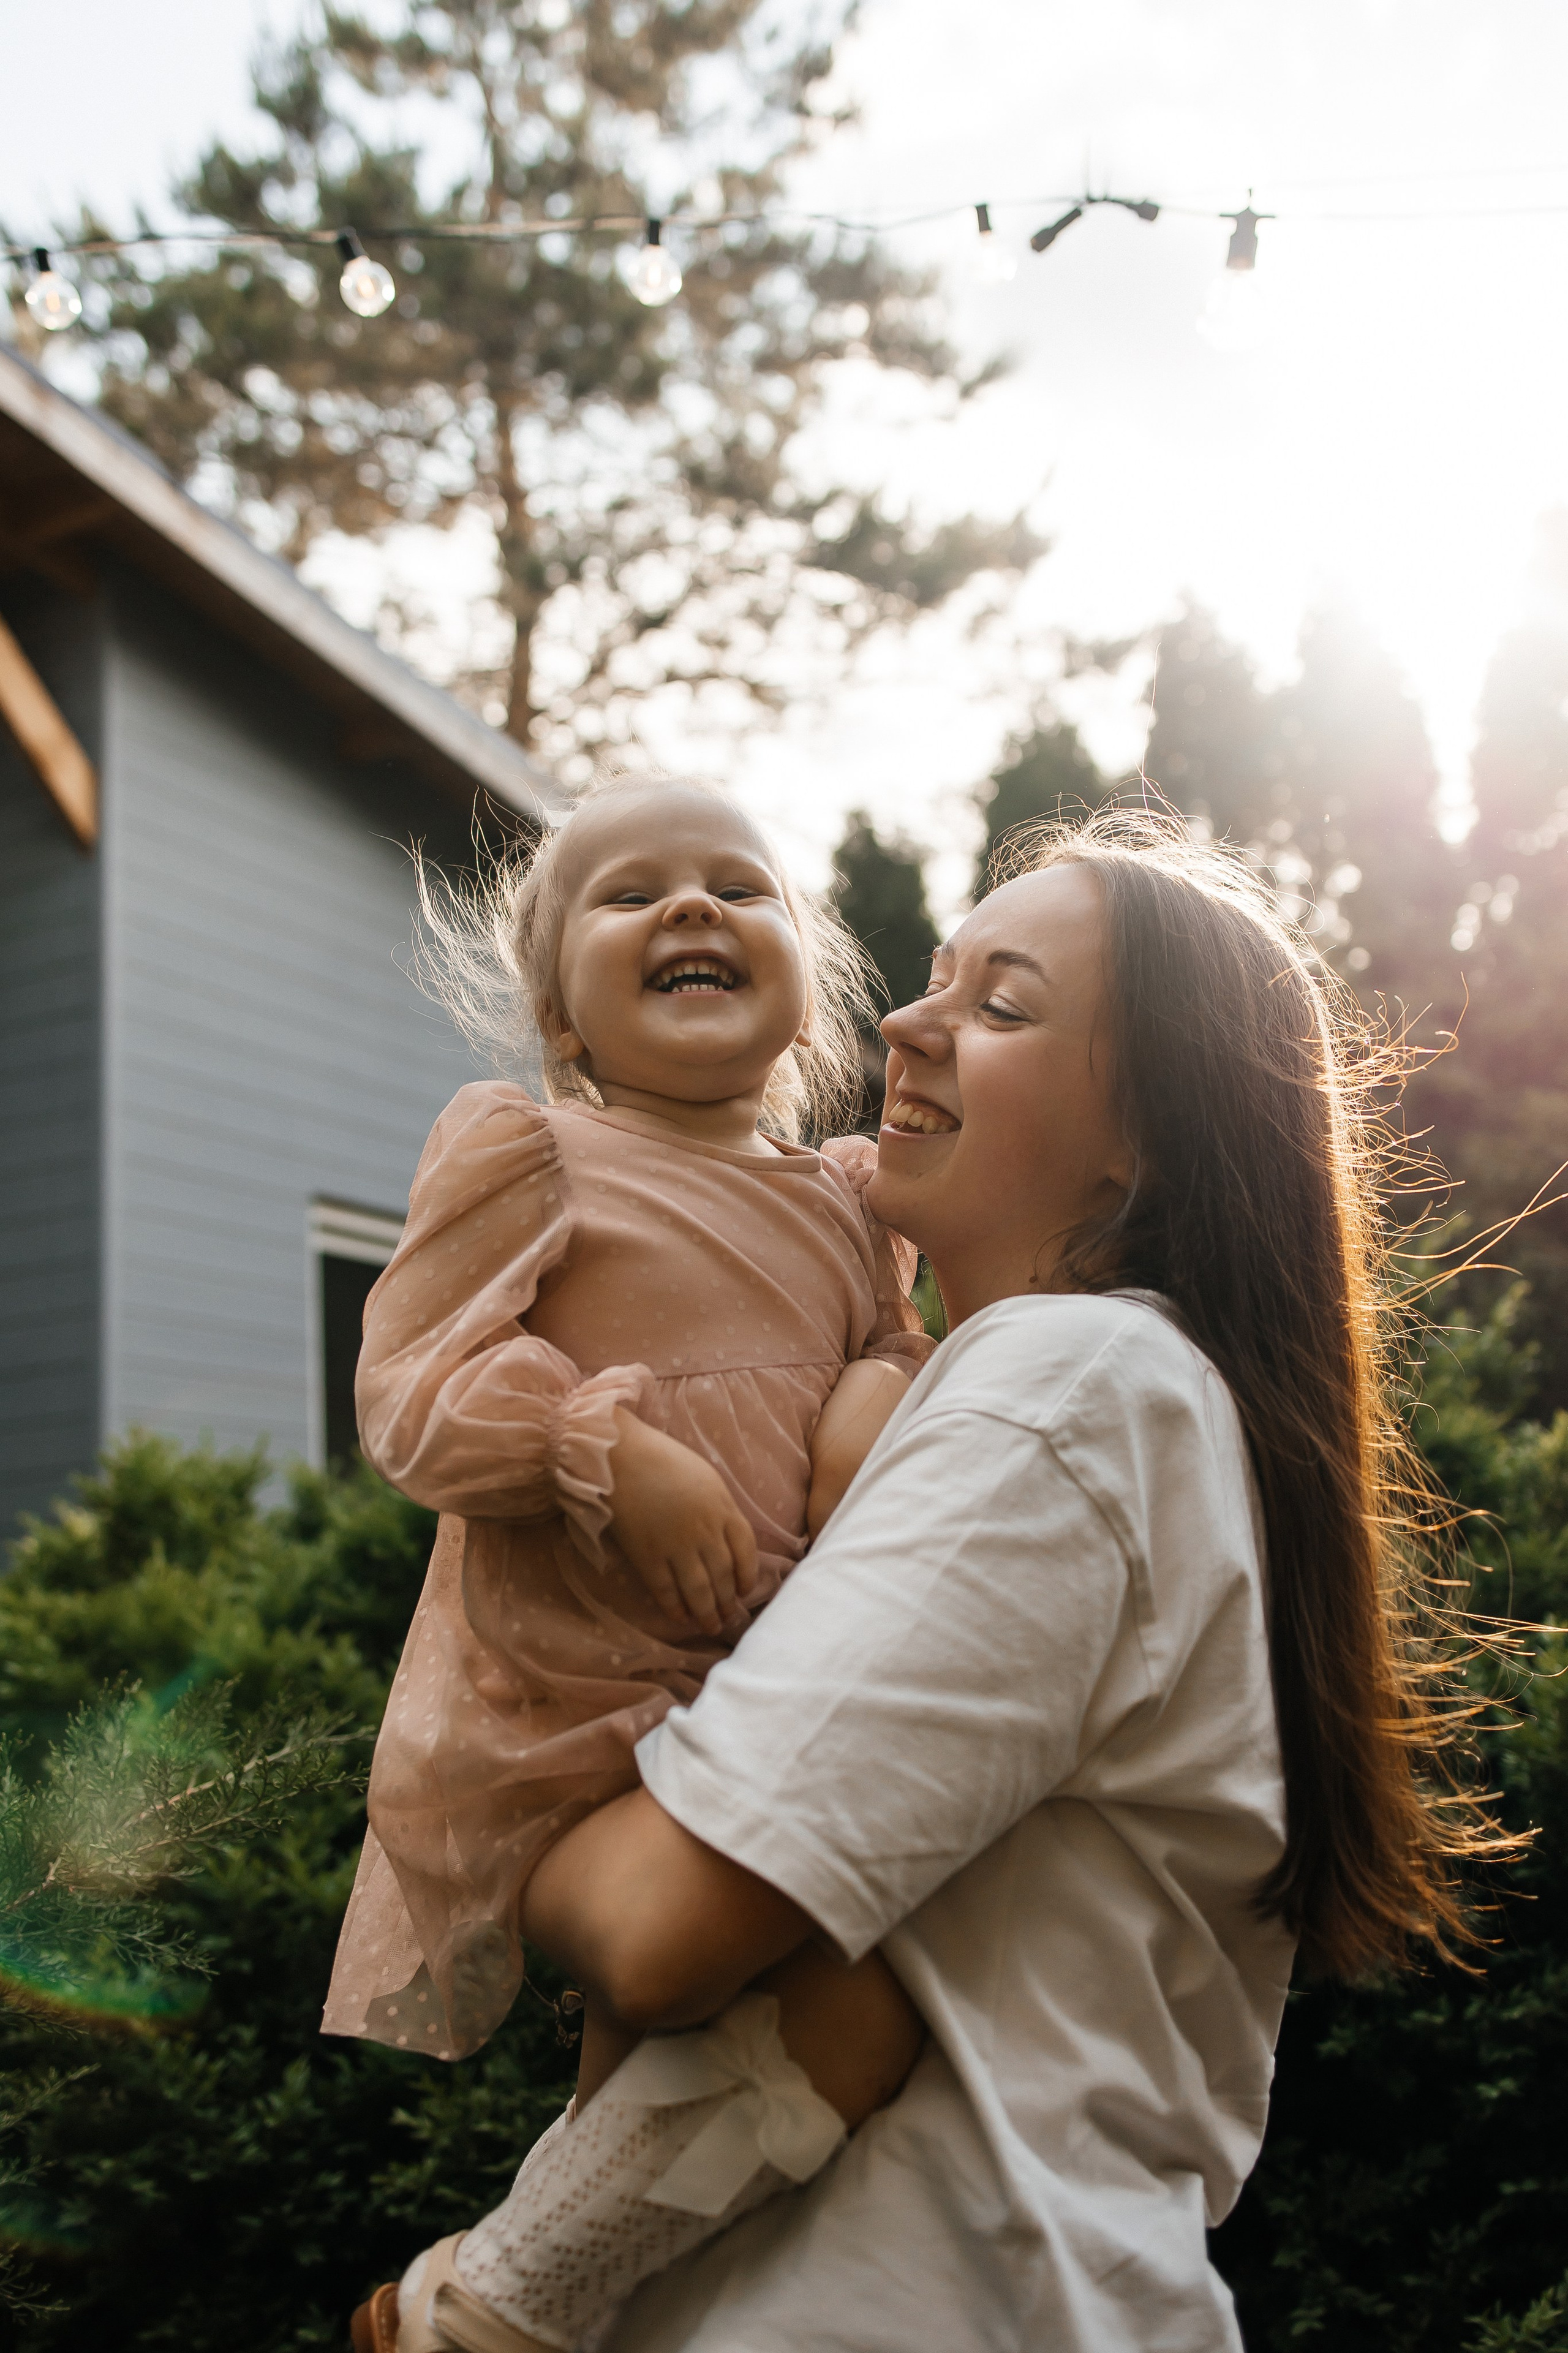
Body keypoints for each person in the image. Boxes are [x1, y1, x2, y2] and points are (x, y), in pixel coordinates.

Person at [364, 807, 1510, 2353]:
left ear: (1146, 1134)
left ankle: (493, 2296)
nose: (906, 1022)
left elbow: (649, 1925)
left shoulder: (1065, 1386)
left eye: (1001, 1005)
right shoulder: (1053, 1391)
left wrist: (508, 1827)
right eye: (934, 978)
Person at [325, 776, 932, 2121]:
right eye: (632, 893)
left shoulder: (845, 1202)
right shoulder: (536, 1156)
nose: (693, 905)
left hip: (781, 1680)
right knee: (683, 1985)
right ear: (558, 1013)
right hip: (582, 1712)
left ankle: (561, 2245)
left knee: (834, 2030)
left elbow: (897, 1349)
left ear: (805, 992)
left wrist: (875, 1385)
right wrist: (594, 1447)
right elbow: (410, 1391)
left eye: (739, 885)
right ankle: (541, 2245)